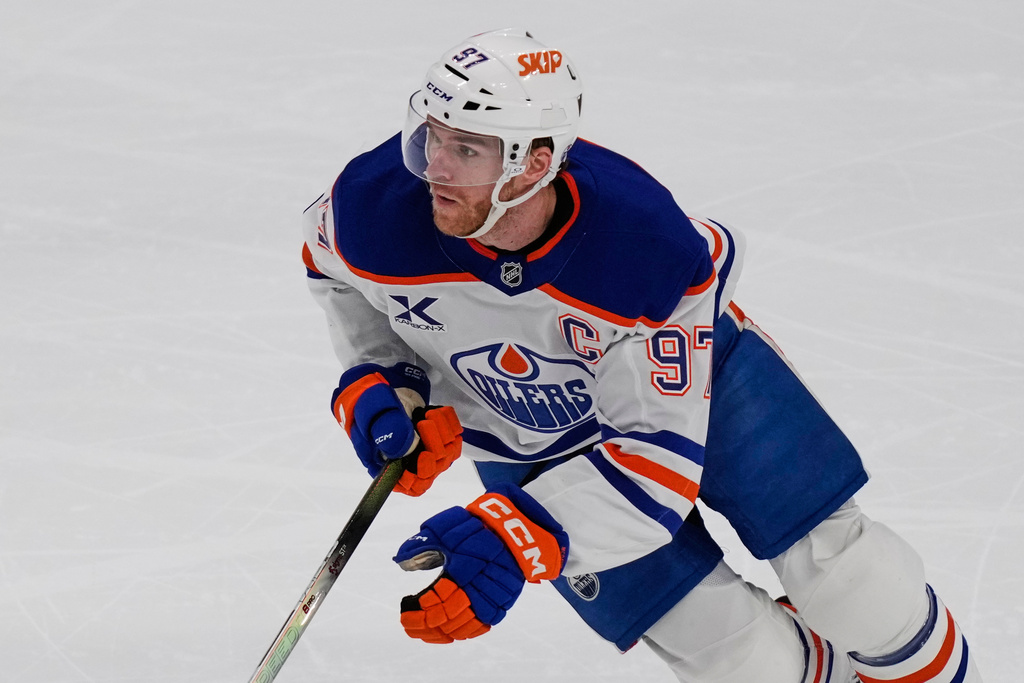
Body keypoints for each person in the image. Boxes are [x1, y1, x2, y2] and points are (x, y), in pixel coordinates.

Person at [301, 28, 981, 683]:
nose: (435, 168)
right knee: (742, 663)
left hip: (698, 393)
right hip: (522, 433)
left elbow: (658, 464)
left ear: (534, 165)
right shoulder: (375, 204)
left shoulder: (642, 249)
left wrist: (518, 534)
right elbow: (333, 268)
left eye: (469, 149)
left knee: (849, 580)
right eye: (433, 137)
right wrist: (387, 377)